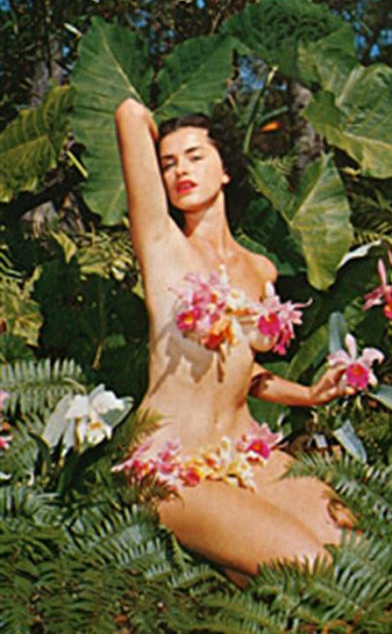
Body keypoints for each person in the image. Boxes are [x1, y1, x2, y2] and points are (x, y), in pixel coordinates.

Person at [114, 99, 354, 586]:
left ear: (226, 169)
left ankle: (240, 571)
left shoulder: (260, 269)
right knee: (311, 569)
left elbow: (240, 367)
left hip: (244, 451)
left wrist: (308, 395)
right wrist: (166, 130)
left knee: (358, 546)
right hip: (173, 466)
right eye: (168, 163)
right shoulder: (161, 245)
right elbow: (128, 112)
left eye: (195, 156)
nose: (181, 170)